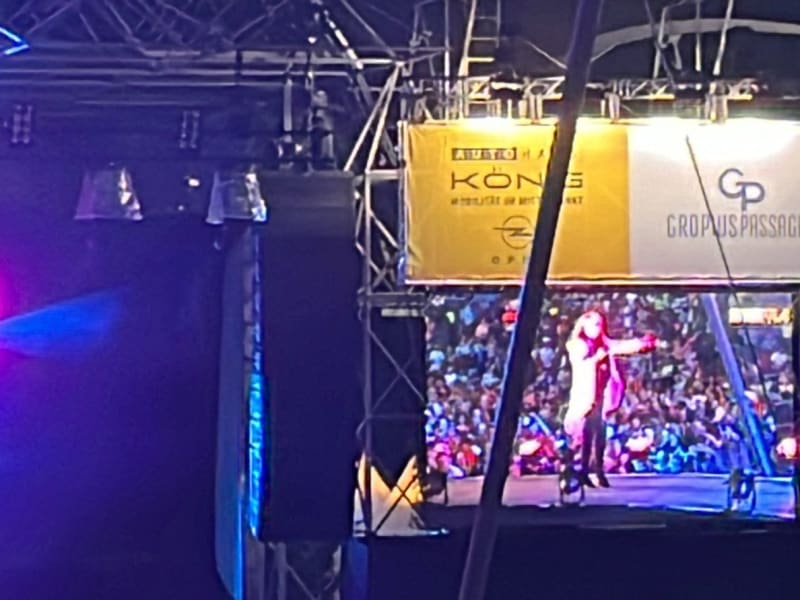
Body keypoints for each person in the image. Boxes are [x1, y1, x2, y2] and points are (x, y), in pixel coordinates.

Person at [564, 310, 657, 488]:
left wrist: (641, 343)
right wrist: (597, 358)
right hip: (586, 394)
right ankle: (581, 469)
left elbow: (620, 346)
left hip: (600, 392)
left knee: (599, 431)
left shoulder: (603, 342)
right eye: (595, 325)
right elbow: (581, 362)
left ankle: (596, 470)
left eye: (600, 325)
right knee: (585, 432)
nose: (598, 329)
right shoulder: (578, 344)